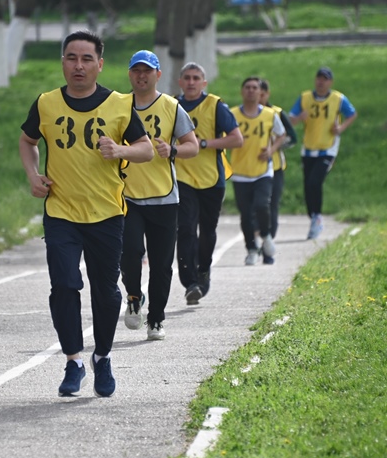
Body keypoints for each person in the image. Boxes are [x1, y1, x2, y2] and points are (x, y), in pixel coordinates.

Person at [19, 31, 154, 397]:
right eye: (71, 58)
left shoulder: (119, 104)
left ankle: (103, 357)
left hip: (106, 212)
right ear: (63, 62)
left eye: (86, 59)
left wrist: (120, 151)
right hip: (61, 211)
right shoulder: (46, 103)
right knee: (64, 285)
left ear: (100, 64)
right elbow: (28, 140)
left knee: (106, 292)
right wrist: (33, 175)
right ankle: (74, 360)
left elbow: (146, 150)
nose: (78, 66)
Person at [120, 50, 200, 341]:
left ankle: (156, 319)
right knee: (130, 253)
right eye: (136, 70)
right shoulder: (117, 105)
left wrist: (173, 149)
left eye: (147, 71)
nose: (142, 76)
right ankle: (133, 296)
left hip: (164, 196)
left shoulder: (171, 107)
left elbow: (193, 146)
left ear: (158, 75)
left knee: (161, 264)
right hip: (127, 195)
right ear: (130, 74)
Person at [174, 63, 243, 301]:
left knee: (207, 231)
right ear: (180, 82)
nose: (191, 82)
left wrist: (204, 143)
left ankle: (203, 269)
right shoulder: (171, 106)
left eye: (196, 78)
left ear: (204, 83)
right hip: (182, 177)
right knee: (185, 229)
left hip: (212, 178)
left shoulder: (216, 106)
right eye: (187, 78)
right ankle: (190, 282)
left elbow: (237, 139)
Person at [288, 66, 358, 240]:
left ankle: (317, 217)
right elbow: (290, 120)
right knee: (307, 186)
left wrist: (340, 128)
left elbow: (352, 114)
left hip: (328, 148)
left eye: (325, 79)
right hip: (308, 148)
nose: (321, 82)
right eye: (319, 78)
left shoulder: (338, 99)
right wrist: (299, 118)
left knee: (315, 181)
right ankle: (313, 216)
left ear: (330, 82)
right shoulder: (305, 97)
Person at [228, 76, 287, 265]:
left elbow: (282, 134)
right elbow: (223, 136)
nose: (251, 91)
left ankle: (266, 235)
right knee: (245, 214)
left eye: (255, 88)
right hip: (240, 172)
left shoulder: (270, 114)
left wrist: (271, 149)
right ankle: (251, 249)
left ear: (261, 92)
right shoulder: (232, 114)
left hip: (263, 171)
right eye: (247, 87)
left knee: (262, 205)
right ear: (242, 91)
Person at [257, 78, 298, 263]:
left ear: (267, 94)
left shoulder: (277, 113)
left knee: (271, 206)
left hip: (275, 167)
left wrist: (275, 145)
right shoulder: (243, 114)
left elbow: (292, 138)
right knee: (254, 208)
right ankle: (255, 242)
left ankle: (268, 247)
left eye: (262, 94)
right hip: (251, 168)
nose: (258, 97)